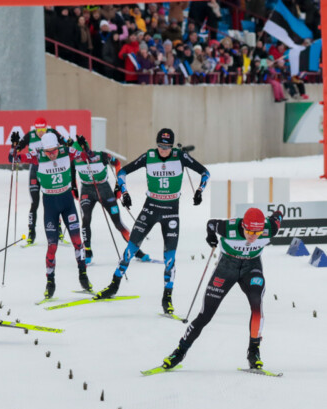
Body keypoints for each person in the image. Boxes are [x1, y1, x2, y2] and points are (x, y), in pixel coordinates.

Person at [94, 128, 210, 314]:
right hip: (150, 209)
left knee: (170, 258)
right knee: (130, 249)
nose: (163, 150)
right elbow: (122, 172)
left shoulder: (180, 156)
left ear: (172, 146)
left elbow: (205, 173)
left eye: (167, 147)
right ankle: (113, 285)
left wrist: (199, 191)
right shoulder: (149, 156)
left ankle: (167, 298)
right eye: (160, 146)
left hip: (171, 212)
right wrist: (124, 193)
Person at [162, 208, 283, 370]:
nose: (253, 236)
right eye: (249, 231)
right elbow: (211, 224)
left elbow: (278, 215)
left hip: (251, 267)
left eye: (258, 233)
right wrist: (210, 237)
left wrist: (277, 213)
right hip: (227, 267)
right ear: (243, 226)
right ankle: (180, 351)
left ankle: (254, 352)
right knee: (205, 315)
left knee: (257, 304)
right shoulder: (229, 228)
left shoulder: (270, 228)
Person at [16, 133, 92, 298]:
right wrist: (15, 146)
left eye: (54, 151)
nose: (52, 154)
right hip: (50, 205)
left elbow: (88, 157)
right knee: (52, 245)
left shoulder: (67, 151)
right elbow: (13, 158)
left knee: (77, 241)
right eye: (48, 152)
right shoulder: (37, 156)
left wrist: (85, 146)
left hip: (67, 203)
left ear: (58, 146)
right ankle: (50, 281)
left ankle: (83, 275)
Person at [73, 135, 149, 265]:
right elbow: (71, 174)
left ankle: (135, 250)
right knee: (85, 218)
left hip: (104, 188)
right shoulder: (73, 159)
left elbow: (117, 163)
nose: (78, 156)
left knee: (118, 222)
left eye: (80, 153)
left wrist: (118, 186)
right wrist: (74, 189)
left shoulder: (100, 155)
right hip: (86, 189)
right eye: (76, 154)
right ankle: (88, 251)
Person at [9, 117, 69, 245]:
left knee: (54, 200)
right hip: (35, 170)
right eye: (38, 130)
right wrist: (13, 145)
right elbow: (12, 157)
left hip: (49, 171)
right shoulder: (29, 136)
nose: (41, 132)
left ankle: (58, 232)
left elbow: (67, 144)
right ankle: (31, 234)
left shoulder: (52, 134)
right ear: (35, 128)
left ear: (46, 128)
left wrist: (69, 142)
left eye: (43, 129)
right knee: (34, 203)